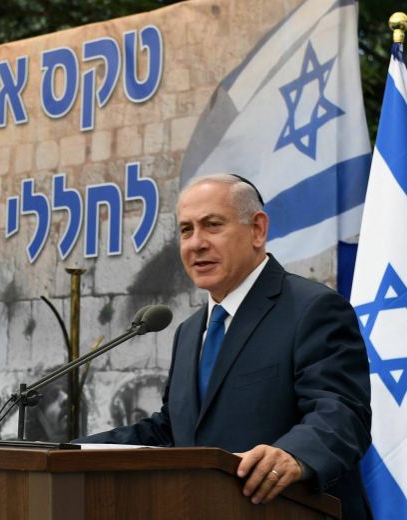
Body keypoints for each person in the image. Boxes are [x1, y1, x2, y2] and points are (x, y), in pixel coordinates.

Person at [77, 174, 372, 518]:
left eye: (212, 225)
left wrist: (294, 455)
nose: (196, 243)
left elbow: (341, 412)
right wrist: (75, 450)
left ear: (258, 230)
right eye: (186, 230)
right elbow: (172, 431)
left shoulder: (313, 308)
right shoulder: (188, 332)